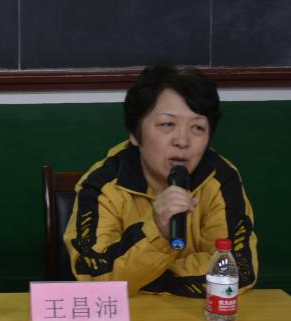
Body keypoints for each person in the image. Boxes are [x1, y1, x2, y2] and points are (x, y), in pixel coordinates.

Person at [64, 65, 257, 296]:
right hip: (130, 316)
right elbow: (94, 275)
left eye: (197, 127)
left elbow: (237, 270)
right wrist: (157, 231)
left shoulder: (221, 179)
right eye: (167, 124)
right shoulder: (101, 184)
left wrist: (143, 280)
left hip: (195, 314)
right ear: (134, 133)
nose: (182, 141)